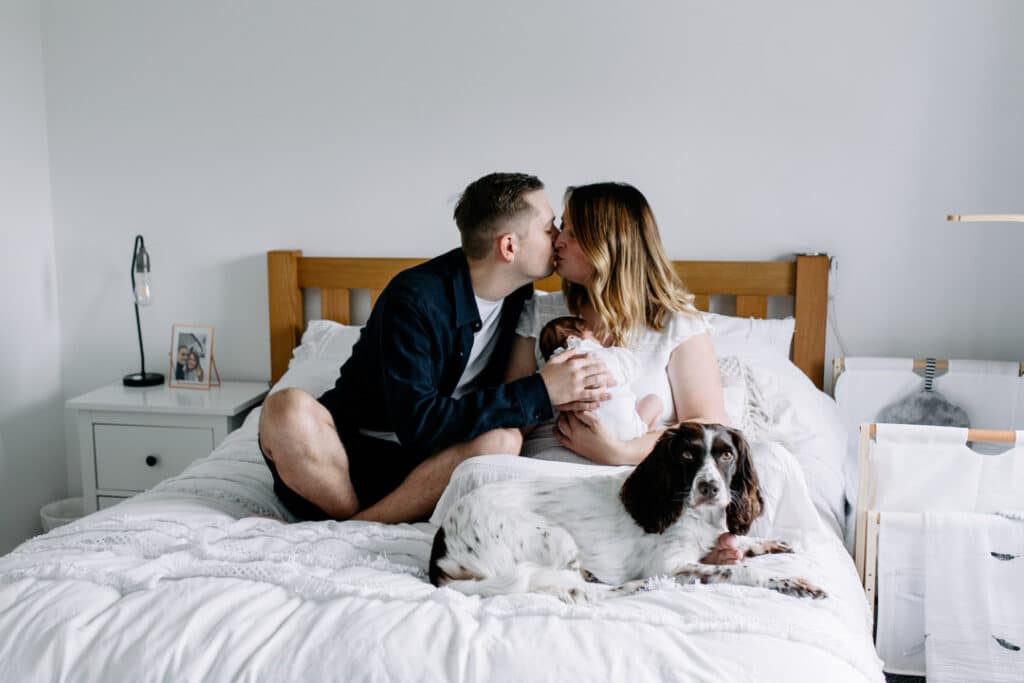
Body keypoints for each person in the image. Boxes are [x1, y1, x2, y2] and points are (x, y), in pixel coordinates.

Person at [257, 172, 614, 525]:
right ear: (509, 247)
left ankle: (358, 527)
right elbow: (420, 425)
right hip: (345, 460)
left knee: (502, 442)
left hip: (430, 472)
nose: (557, 238)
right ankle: (352, 519)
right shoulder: (414, 299)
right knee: (284, 408)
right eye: (550, 227)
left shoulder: (522, 299)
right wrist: (541, 390)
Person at [505, 181, 743, 564]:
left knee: (773, 463)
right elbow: (508, 410)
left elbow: (709, 428)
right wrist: (548, 390)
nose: (557, 241)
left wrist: (618, 452)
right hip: (548, 478)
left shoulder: (675, 323)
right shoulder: (540, 311)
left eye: (571, 232)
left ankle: (680, 545)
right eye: (559, 229)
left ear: (608, 244)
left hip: (637, 477)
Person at [538, 315, 661, 440]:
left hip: (585, 434)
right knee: (654, 401)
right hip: (626, 429)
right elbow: (634, 369)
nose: (599, 340)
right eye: (593, 335)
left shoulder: (553, 374)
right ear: (572, 339)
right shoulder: (609, 353)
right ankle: (642, 432)